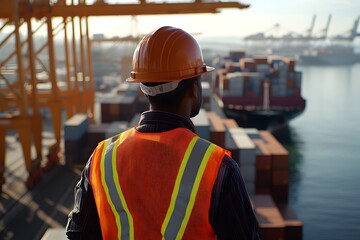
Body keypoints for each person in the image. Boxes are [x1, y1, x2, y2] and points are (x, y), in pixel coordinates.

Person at [66, 26, 260, 239]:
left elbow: (78, 234)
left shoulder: (102, 157)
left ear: (142, 87)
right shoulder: (218, 167)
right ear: (194, 89)